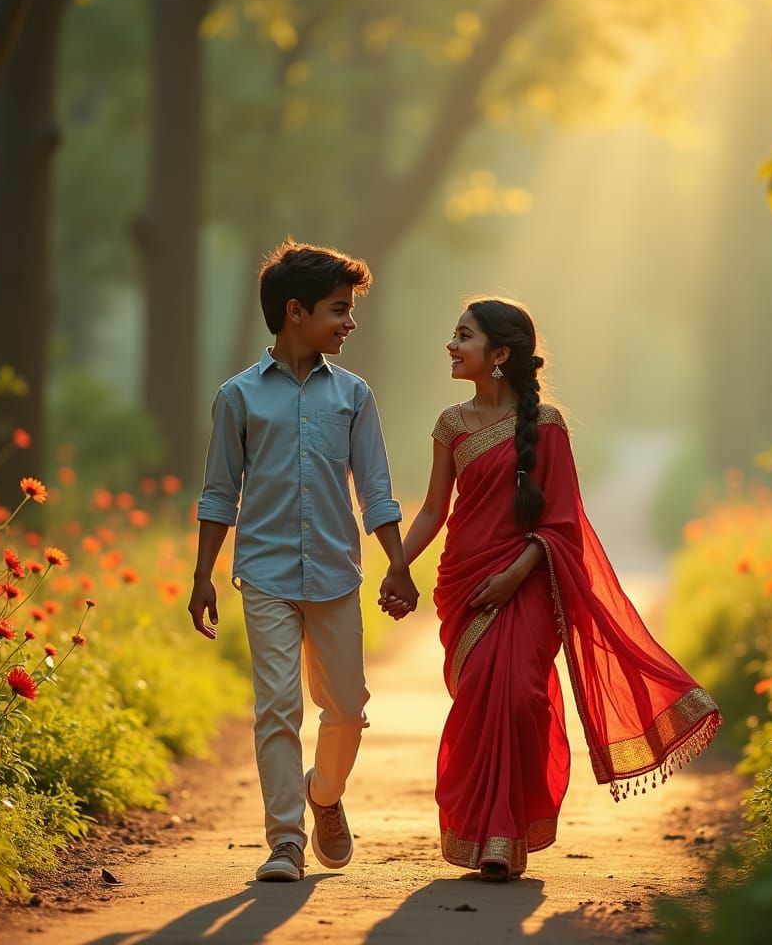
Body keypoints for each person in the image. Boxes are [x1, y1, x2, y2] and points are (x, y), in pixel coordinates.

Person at [382, 298, 720, 882]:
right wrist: (396, 565)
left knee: (520, 696)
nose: (451, 345)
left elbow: (561, 522)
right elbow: (436, 507)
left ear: (500, 355)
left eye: (464, 336)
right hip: (465, 583)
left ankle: (505, 833)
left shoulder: (548, 427)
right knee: (478, 701)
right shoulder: (450, 424)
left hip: (530, 581)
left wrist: (515, 574)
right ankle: (484, 832)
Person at [189, 239, 419, 883]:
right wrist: (203, 575)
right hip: (262, 574)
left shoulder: (353, 396)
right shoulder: (238, 398)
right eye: (338, 309)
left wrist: (398, 565)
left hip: (336, 574)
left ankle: (324, 794)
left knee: (347, 708)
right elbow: (218, 492)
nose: (349, 322)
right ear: (296, 312)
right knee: (277, 707)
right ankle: (285, 841)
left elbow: (375, 488)